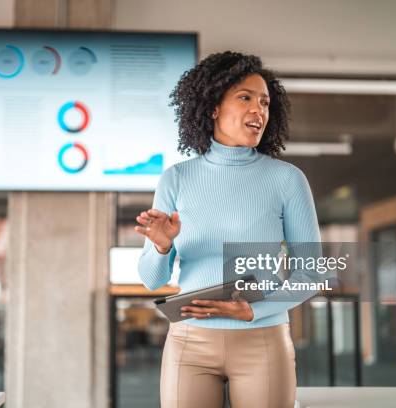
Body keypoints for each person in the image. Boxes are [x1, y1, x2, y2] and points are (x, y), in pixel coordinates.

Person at [135, 51, 321, 408]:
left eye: (265, 102)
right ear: (213, 108)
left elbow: (311, 273)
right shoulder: (176, 179)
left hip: (263, 339)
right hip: (189, 343)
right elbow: (152, 281)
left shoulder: (287, 180)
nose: (259, 110)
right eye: (245, 97)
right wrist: (160, 247)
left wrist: (254, 310)